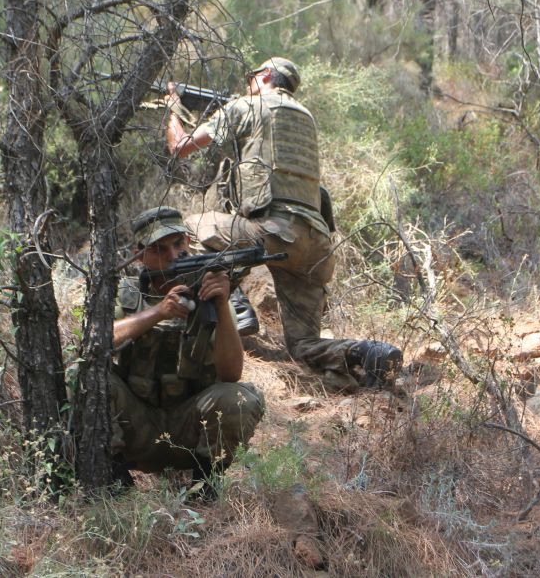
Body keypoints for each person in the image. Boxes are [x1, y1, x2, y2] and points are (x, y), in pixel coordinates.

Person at [165, 57, 402, 391]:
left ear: (265, 76)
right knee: (303, 345)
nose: (247, 84)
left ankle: (235, 307)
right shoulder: (305, 117)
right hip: (317, 245)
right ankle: (367, 353)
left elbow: (180, 147)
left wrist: (172, 108)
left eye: (251, 78)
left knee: (192, 227)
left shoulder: (249, 105)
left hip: (275, 233)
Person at [110, 206, 265, 493]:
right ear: (139, 254)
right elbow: (98, 343)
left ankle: (205, 487)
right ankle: (116, 486)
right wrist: (158, 312)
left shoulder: (210, 294)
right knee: (84, 377)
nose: (172, 255)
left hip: (188, 428)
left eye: (178, 244)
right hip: (137, 427)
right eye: (159, 249)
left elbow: (231, 374)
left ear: (189, 242)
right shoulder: (125, 293)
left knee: (239, 398)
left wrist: (221, 304)